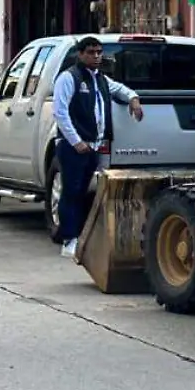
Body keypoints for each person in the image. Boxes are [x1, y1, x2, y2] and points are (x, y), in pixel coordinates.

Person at [51, 37, 143, 259]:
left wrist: (133, 98)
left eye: (99, 52)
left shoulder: (100, 79)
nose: (96, 56)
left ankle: (81, 236)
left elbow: (119, 89)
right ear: (80, 54)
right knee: (71, 192)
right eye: (91, 52)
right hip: (73, 146)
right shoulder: (69, 78)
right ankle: (69, 239)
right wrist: (76, 141)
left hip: (94, 146)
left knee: (84, 192)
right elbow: (61, 112)